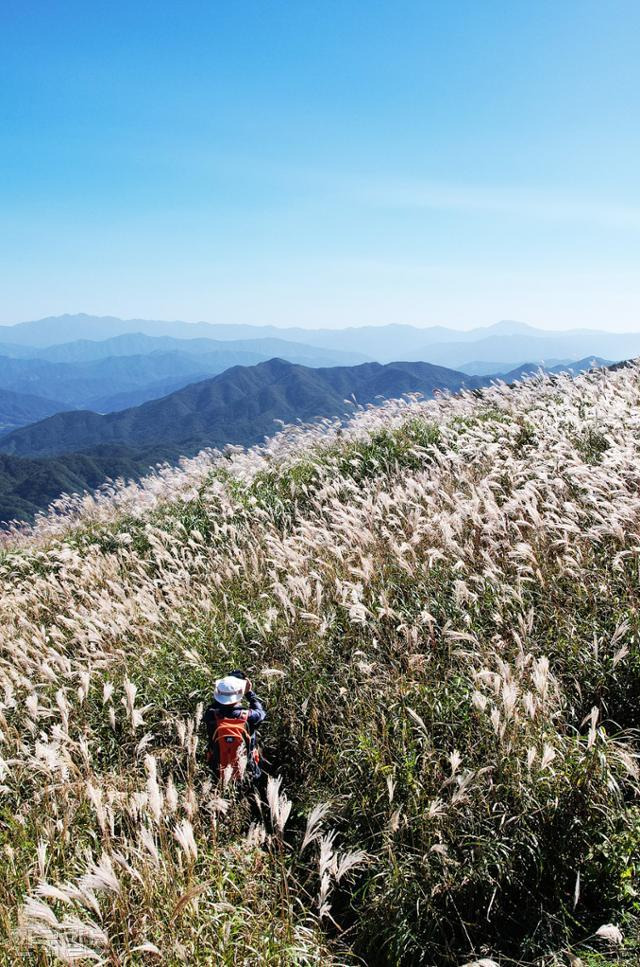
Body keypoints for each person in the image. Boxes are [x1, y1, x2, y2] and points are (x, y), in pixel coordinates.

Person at [204, 670, 266, 783]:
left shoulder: (211, 714)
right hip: (248, 772)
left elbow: (214, 707)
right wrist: (249, 693)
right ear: (240, 694)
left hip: (218, 773)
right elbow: (261, 712)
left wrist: (221, 693)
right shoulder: (249, 716)